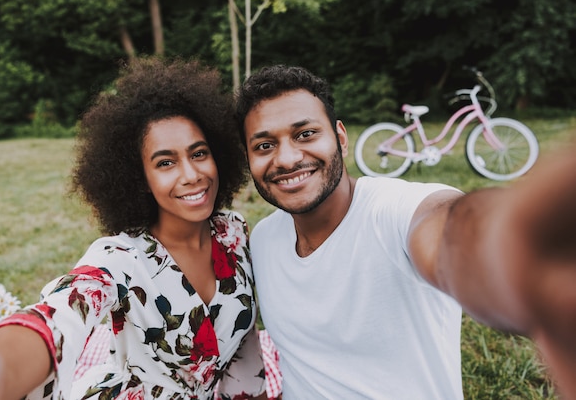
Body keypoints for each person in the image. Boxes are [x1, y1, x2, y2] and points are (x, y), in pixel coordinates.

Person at [234, 64, 576, 399]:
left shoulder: (393, 211)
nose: (287, 158)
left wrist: (514, 249)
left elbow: (452, 231)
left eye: (305, 134)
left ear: (340, 138)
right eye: (265, 145)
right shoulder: (263, 239)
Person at [0, 57, 268, 400]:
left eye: (199, 153)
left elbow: (243, 339)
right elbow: (65, 310)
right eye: (165, 162)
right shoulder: (120, 257)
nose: (191, 175)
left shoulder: (233, 233)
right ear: (140, 178)